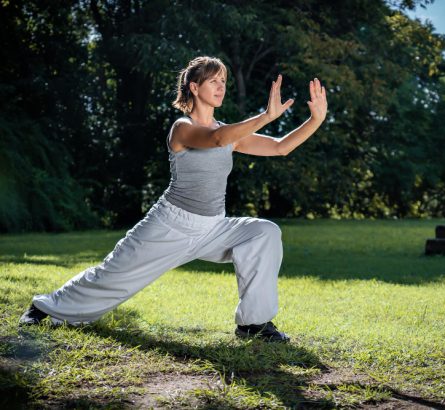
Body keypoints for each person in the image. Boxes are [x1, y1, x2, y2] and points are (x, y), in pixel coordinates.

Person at [19, 56, 328, 342]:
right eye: (213, 81)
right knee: (112, 275)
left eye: (223, 81)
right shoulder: (183, 128)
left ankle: (254, 324)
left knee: (264, 232)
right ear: (194, 87)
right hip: (170, 225)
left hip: (212, 227)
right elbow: (216, 140)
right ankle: (45, 308)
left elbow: (279, 147)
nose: (221, 86)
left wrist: (315, 120)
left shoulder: (228, 131)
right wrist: (266, 115)